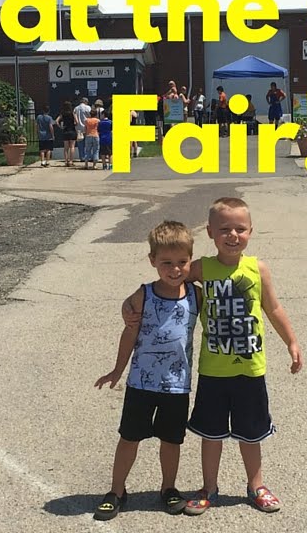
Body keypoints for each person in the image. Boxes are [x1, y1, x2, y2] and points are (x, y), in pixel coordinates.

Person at [123, 197, 303, 516]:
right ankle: (209, 487)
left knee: (251, 433)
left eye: (240, 229)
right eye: (224, 229)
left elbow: (273, 308)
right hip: (214, 370)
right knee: (211, 434)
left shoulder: (257, 268)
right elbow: (169, 276)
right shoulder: (201, 268)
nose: (233, 235)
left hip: (250, 368)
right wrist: (131, 302)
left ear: (251, 231)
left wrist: (291, 341)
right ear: (210, 232)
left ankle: (256, 485)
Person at [94, 221, 200, 521]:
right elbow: (130, 332)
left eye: (182, 262)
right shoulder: (144, 295)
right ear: (152, 260)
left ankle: (168, 488)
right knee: (129, 437)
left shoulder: (196, 295)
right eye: (166, 262)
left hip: (177, 385)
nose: (175, 269)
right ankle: (116, 491)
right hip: (141, 383)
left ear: (190, 261)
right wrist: (117, 370)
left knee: (172, 440)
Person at [59, 100, 78, 167]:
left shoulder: (62, 114)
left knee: (66, 148)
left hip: (65, 131)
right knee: (72, 147)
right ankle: (71, 161)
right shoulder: (73, 113)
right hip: (72, 130)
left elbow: (56, 121)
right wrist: (74, 124)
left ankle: (66, 161)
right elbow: (77, 122)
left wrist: (61, 127)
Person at [83, 104, 101, 169]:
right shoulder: (97, 121)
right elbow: (99, 128)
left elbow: (85, 128)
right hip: (96, 135)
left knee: (87, 150)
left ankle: (86, 164)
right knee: (96, 150)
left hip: (88, 135)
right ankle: (94, 165)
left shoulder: (86, 120)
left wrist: (84, 134)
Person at [97, 106, 113, 170]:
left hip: (102, 139)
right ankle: (110, 165)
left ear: (103, 115)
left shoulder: (100, 123)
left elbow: (98, 130)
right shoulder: (110, 122)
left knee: (103, 153)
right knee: (110, 153)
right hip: (109, 138)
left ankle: (104, 165)